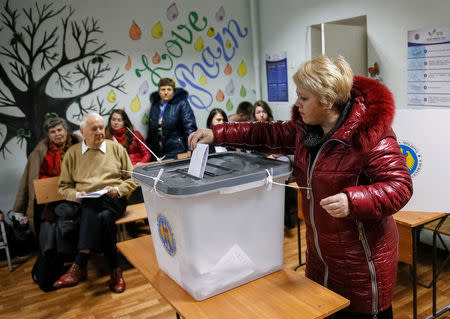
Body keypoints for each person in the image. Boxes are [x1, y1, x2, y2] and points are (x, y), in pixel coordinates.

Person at [188, 55, 413, 318]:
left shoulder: (370, 133)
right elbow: (264, 133)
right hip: (321, 255)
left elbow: (400, 186)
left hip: (361, 265)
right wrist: (218, 133)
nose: (297, 104)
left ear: (328, 101)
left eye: (304, 98)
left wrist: (353, 200)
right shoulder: (305, 130)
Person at [54, 113, 137, 293]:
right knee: (103, 216)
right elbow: (64, 187)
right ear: (83, 131)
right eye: (94, 129)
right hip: (88, 203)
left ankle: (80, 263)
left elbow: (133, 179)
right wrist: (77, 194)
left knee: (98, 207)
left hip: (114, 199)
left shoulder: (116, 149)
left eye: (101, 127)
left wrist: (119, 189)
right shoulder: (72, 154)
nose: (100, 132)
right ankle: (116, 271)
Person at [13, 116, 81, 235]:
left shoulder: (79, 147)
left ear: (65, 131)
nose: (57, 134)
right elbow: (31, 179)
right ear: (48, 135)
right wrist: (19, 209)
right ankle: (49, 252)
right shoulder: (40, 153)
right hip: (52, 196)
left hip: (77, 194)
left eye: (59, 130)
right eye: (53, 132)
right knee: (48, 219)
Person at [146, 78, 197, 159]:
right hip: (158, 153)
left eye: (169, 89)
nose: (166, 92)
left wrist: (190, 149)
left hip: (177, 151)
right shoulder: (155, 106)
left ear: (174, 91)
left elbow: (189, 127)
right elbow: (150, 131)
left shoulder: (182, 103)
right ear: (159, 91)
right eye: (163, 89)